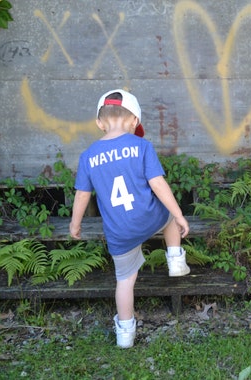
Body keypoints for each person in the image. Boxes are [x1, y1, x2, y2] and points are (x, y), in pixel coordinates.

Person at [69, 89, 190, 348]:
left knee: (124, 280)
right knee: (167, 215)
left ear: (99, 123)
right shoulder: (141, 145)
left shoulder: (88, 156)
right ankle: (175, 260)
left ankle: (125, 334)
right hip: (149, 218)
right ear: (135, 122)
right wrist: (179, 215)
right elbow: (158, 184)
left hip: (119, 230)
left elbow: (82, 196)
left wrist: (75, 224)